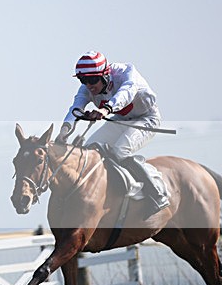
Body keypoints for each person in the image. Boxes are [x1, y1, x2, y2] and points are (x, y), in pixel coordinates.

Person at [56, 50, 169, 217]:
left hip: (146, 118)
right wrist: (63, 132)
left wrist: (105, 109)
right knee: (89, 150)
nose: (89, 85)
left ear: (105, 74)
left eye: (93, 80)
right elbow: (75, 108)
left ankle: (157, 192)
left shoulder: (126, 73)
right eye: (83, 80)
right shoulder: (86, 88)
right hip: (121, 119)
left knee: (120, 151)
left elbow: (126, 93)